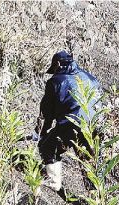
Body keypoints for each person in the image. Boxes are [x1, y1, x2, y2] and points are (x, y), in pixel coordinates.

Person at [37, 50, 101, 196]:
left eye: (53, 69)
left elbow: (47, 111)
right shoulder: (89, 77)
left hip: (72, 123)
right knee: (89, 160)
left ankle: (54, 182)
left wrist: (44, 131)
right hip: (95, 124)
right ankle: (96, 200)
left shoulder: (56, 81)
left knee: (48, 147)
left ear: (58, 64)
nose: (54, 72)